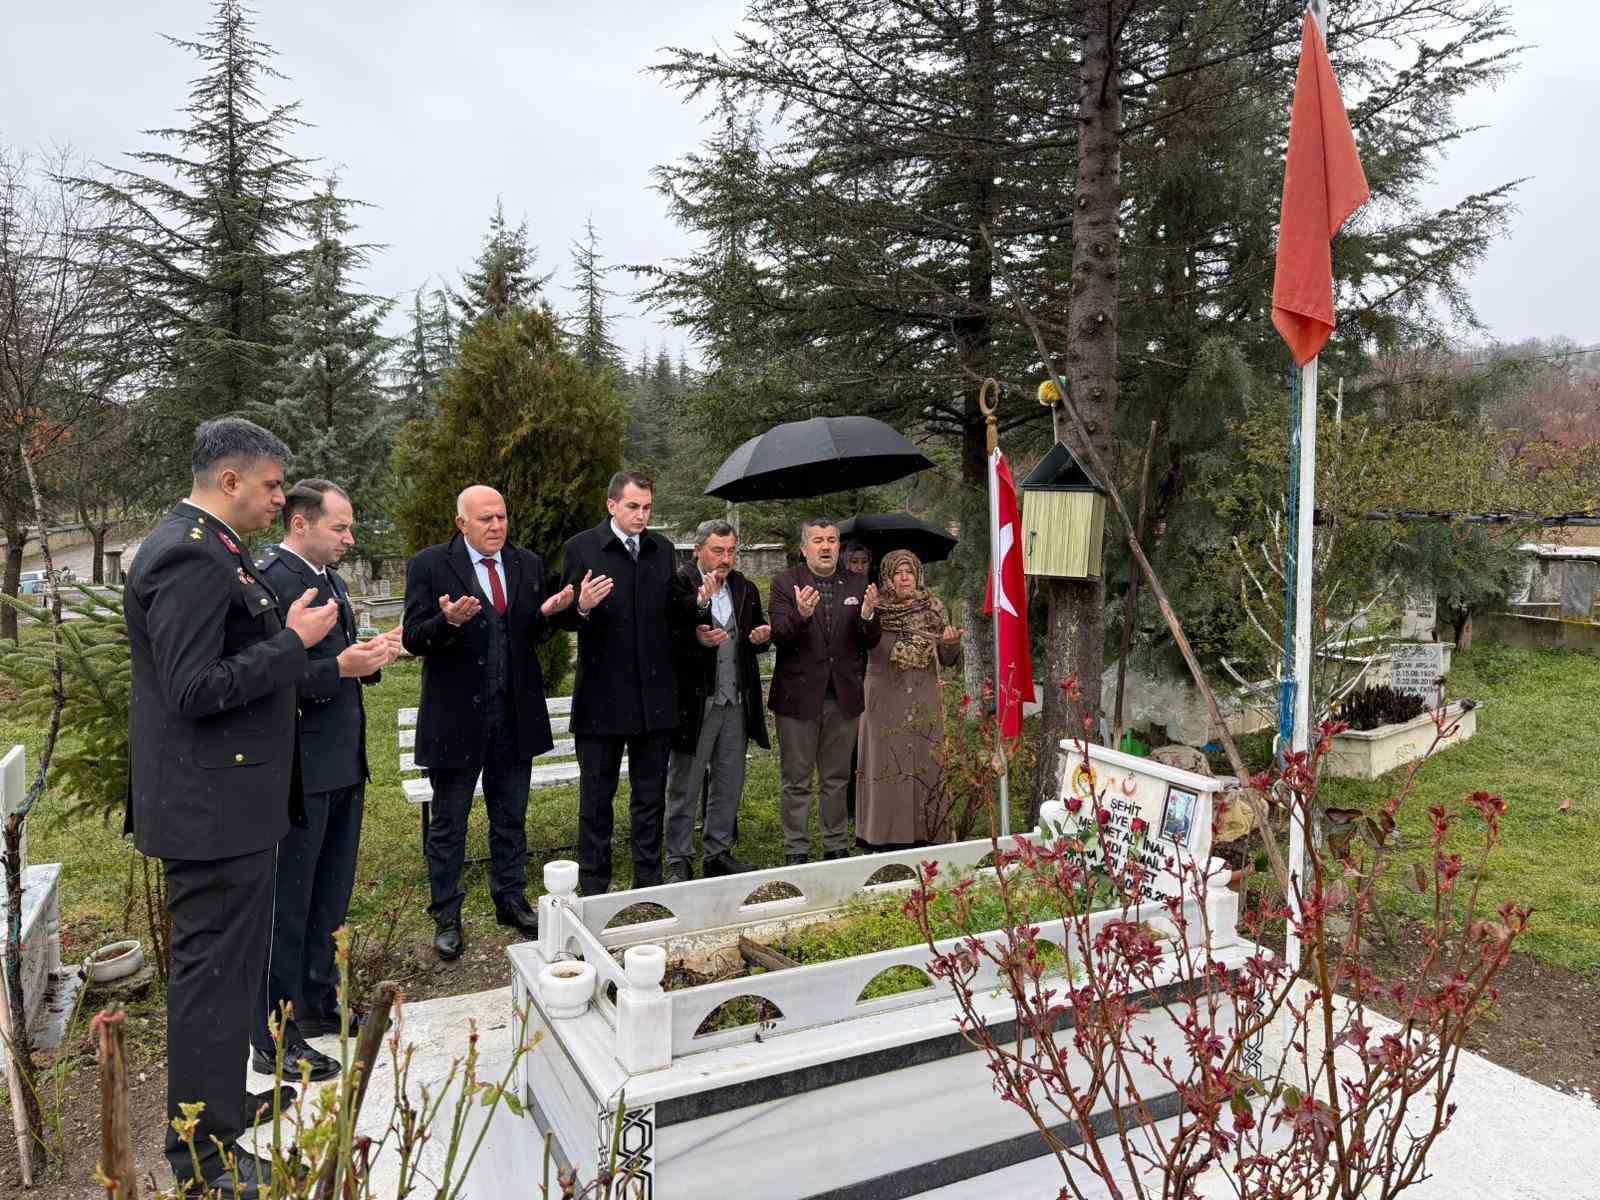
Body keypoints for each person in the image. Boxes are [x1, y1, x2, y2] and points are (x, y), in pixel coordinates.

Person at [126, 418, 340, 1196]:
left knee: (226, 971)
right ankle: (202, 1157)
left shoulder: (209, 545)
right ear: (229, 482)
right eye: (274, 486)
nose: (281, 498)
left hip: (227, 806)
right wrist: (289, 640)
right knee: (212, 979)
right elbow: (191, 689)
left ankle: (219, 1105)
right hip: (209, 811)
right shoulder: (187, 554)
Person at [249, 481, 402, 1082]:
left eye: (350, 526)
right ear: (300, 524)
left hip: (342, 759)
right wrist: (340, 666)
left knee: (330, 895)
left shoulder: (329, 577)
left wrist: (367, 657)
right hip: (298, 769)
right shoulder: (272, 582)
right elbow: (268, 678)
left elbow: (335, 659)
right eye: (340, 527)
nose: (350, 537)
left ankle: (317, 1003)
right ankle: (276, 1031)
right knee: (291, 901)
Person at [402, 485, 577, 960]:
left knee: (510, 816)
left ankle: (510, 898)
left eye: (501, 517)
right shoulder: (431, 565)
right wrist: (449, 621)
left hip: (514, 714)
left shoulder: (526, 564)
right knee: (450, 822)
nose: (497, 526)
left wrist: (549, 614)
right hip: (456, 717)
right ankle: (447, 913)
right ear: (462, 524)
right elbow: (416, 638)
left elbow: (530, 634)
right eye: (485, 519)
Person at [554, 471, 684, 895]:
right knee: (596, 799)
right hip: (602, 699)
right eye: (633, 506)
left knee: (650, 798)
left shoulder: (662, 550)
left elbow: (673, 613)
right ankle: (594, 883)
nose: (641, 515)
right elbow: (560, 617)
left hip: (654, 699)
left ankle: (647, 881)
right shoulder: (581, 548)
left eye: (647, 507)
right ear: (612, 505)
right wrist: (584, 609)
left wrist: (697, 610)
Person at [663, 519, 772, 882]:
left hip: (735, 700)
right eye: (717, 551)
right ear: (698, 550)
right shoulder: (679, 582)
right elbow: (670, 631)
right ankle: (678, 857)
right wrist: (698, 624)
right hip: (695, 703)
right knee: (686, 782)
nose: (726, 559)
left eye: (731, 551)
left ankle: (717, 851)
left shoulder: (744, 587)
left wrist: (761, 637)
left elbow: (756, 634)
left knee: (729, 778)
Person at [768, 517, 881, 864]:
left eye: (832, 540)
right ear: (804, 549)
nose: (826, 546)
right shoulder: (786, 583)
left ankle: (835, 844)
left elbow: (871, 640)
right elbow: (778, 635)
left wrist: (866, 616)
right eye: (818, 540)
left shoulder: (859, 582)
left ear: (839, 547)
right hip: (798, 698)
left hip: (843, 697)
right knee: (797, 778)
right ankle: (796, 849)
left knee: (836, 777)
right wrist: (801, 615)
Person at [856, 549, 963, 851]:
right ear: (888, 577)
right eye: (898, 573)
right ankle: (882, 837)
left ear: (918, 576)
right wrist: (868, 612)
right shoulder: (877, 607)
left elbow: (948, 658)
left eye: (910, 572)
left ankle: (928, 832)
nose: (904, 578)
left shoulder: (935, 609)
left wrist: (952, 644)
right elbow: (867, 638)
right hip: (884, 699)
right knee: (886, 765)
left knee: (925, 764)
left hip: (924, 697)